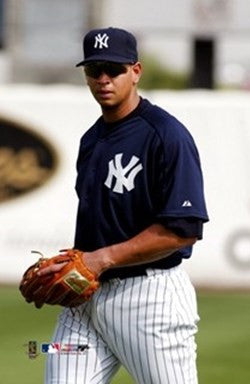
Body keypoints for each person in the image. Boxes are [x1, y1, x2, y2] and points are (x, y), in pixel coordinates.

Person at [39, 27, 209, 383]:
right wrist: (68, 264)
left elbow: (184, 230)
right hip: (84, 299)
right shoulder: (91, 139)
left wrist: (100, 259)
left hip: (149, 301)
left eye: (113, 69)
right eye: (93, 69)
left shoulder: (165, 135)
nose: (103, 79)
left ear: (136, 71)